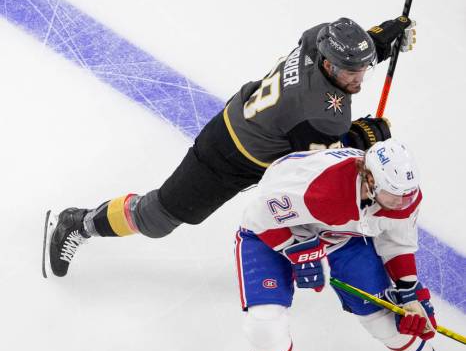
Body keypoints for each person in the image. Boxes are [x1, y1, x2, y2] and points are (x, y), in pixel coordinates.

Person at [42, 16, 415, 278]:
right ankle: (77, 223)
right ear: (329, 64)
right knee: (156, 219)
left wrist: (383, 37)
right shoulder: (322, 115)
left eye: (364, 67)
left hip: (257, 128)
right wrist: (363, 135)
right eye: (351, 72)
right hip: (228, 157)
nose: (359, 78)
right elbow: (312, 166)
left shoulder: (318, 37)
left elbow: (349, 52)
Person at [235, 138, 449, 351]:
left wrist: (409, 293)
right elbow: (259, 216)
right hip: (272, 231)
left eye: (407, 195)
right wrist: (296, 250)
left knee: (382, 317)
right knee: (263, 325)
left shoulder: (400, 195)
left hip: (340, 234)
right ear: (370, 179)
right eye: (394, 196)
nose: (402, 204)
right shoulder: (319, 189)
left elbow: (397, 242)